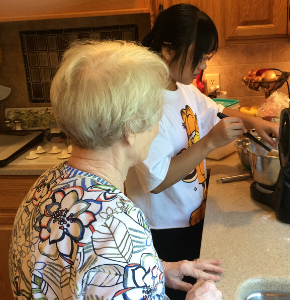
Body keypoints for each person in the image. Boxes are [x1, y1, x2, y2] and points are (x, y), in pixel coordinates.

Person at [8, 40, 223, 300]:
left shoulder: (45, 184)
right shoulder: (117, 226)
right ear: (130, 128)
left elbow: (81, 274)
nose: (156, 125)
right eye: (156, 113)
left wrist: (156, 270)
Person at [125, 3, 279, 300]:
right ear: (168, 50)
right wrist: (209, 142)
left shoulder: (181, 87)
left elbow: (216, 111)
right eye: (201, 56)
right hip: (164, 231)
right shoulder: (144, 102)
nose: (204, 65)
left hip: (191, 217)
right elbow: (157, 181)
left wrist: (257, 122)